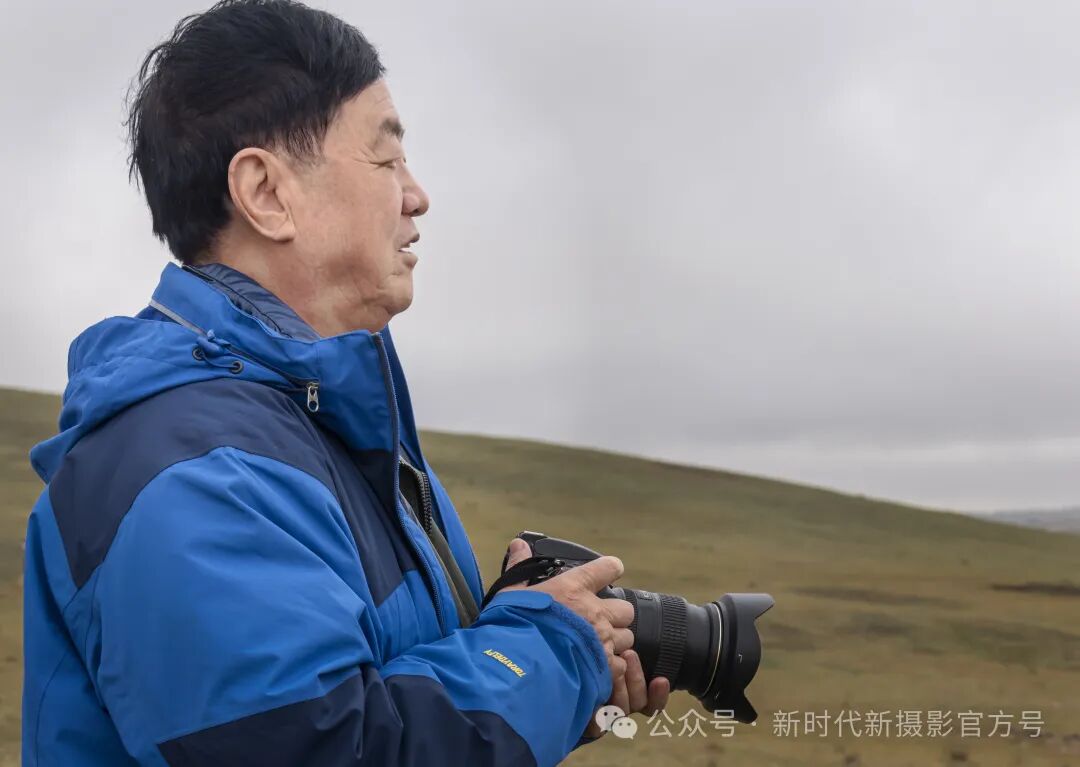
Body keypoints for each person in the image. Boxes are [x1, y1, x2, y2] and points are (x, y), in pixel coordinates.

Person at [21, 2, 669, 765]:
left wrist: (541, 674)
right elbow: (330, 747)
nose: (417, 195)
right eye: (387, 160)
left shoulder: (319, 426)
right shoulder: (195, 472)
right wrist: (550, 646)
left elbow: (388, 693)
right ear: (266, 192)